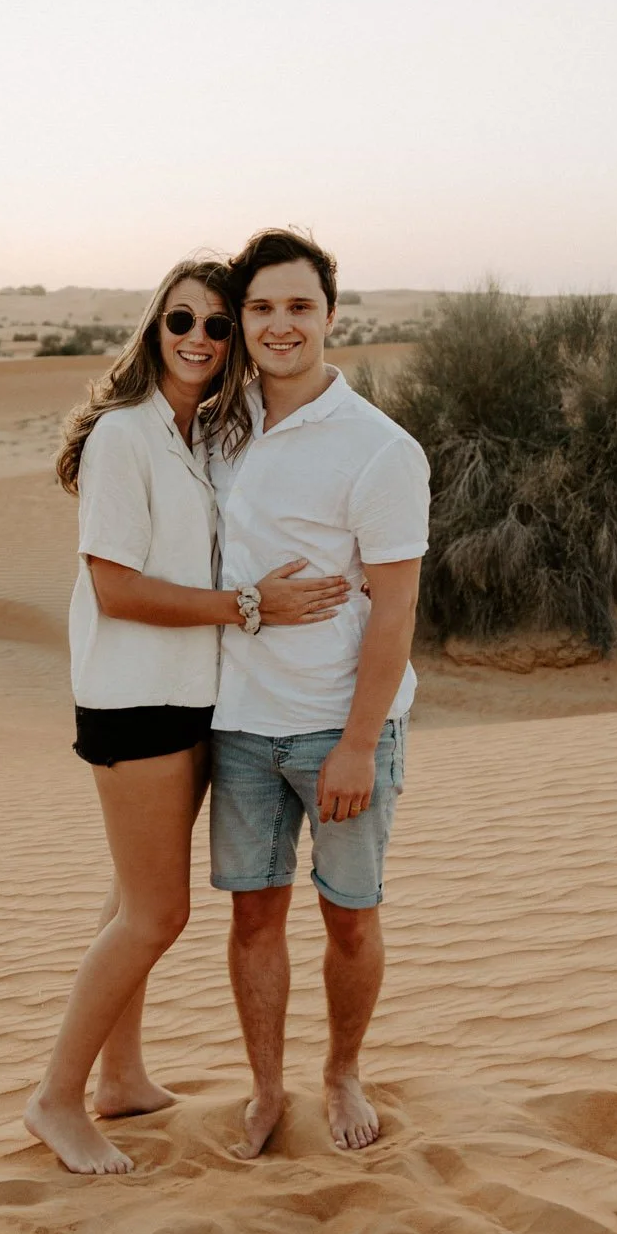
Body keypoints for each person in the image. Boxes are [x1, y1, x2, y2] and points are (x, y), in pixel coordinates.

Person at [24, 257, 351, 1174]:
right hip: (133, 700)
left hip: (191, 695)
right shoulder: (124, 437)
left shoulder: (200, 433)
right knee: (156, 914)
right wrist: (249, 607)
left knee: (127, 899)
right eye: (181, 321)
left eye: (216, 324)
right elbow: (116, 588)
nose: (199, 339)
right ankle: (54, 1099)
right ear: (154, 330)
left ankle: (121, 1078)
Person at [209, 229, 430, 1157]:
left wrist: (356, 744)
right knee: (252, 916)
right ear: (240, 320)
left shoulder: (378, 449)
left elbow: (396, 609)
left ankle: (341, 1073)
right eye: (261, 307)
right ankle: (267, 1088)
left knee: (349, 914)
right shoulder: (216, 427)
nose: (280, 325)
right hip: (237, 724)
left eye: (298, 306)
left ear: (330, 315)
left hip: (337, 729)